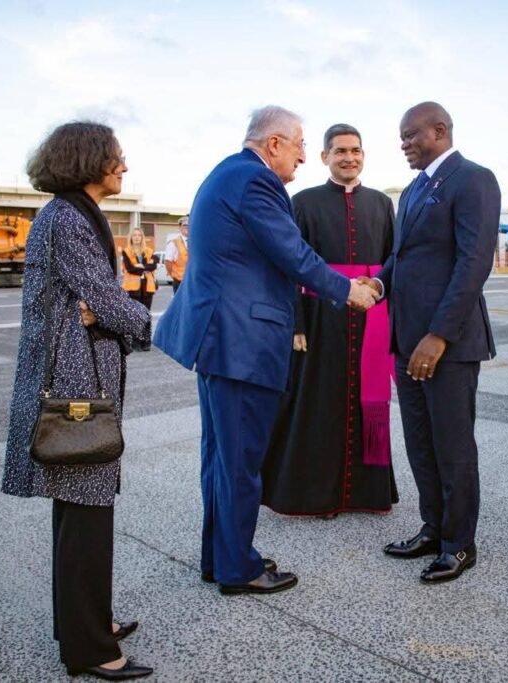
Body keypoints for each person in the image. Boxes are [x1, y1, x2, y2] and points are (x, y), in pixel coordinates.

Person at [153, 106, 377, 595]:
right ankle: (238, 568)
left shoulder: (229, 173)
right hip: (241, 342)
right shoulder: (257, 181)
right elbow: (291, 252)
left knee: (221, 458)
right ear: (274, 143)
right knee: (240, 462)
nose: (303, 156)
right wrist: (347, 290)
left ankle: (221, 556)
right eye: (299, 145)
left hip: (220, 339)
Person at [1, 122, 153, 681]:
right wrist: (150, 325)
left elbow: (98, 305)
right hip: (75, 388)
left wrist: (99, 312)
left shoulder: (69, 214)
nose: (124, 167)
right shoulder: (68, 219)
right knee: (85, 513)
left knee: (80, 510)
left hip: (79, 378)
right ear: (90, 160)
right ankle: (90, 650)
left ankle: (85, 623)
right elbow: (107, 301)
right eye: (117, 157)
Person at [363, 102, 500, 584]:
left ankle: (459, 544)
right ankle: (434, 527)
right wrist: (379, 283)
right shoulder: (414, 190)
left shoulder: (473, 179)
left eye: (410, 135)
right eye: (402, 137)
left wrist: (438, 335)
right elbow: (403, 256)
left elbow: (473, 262)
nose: (404, 144)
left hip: (447, 344)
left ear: (440, 130)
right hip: (406, 338)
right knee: (420, 442)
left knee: (453, 445)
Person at [262, 124, 398, 517]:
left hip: (371, 315)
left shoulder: (381, 203)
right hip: (321, 316)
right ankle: (316, 495)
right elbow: (287, 264)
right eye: (340, 151)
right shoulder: (302, 202)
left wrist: (380, 288)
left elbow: (394, 258)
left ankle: (367, 494)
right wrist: (296, 323)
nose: (349, 158)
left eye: (355, 151)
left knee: (367, 402)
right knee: (319, 404)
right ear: (324, 157)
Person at [121, 227, 158, 350]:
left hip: (147, 287)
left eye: (139, 235)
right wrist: (144, 267)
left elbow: (153, 266)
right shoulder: (126, 251)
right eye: (134, 235)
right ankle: (136, 341)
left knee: (146, 314)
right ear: (131, 238)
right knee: (135, 314)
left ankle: (146, 341)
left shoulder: (149, 251)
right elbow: (129, 268)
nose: (137, 237)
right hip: (133, 288)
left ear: (142, 237)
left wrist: (140, 266)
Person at [164, 216, 189, 293]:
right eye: (184, 225)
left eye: (189, 225)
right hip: (179, 281)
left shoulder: (196, 241)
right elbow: (168, 261)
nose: (187, 227)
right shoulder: (174, 243)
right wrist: (172, 274)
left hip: (193, 281)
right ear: (180, 227)